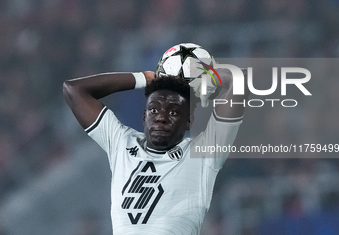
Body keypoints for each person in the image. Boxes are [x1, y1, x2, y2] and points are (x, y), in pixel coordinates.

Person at [63, 49, 248, 235]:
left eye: (173, 112)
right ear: (144, 116)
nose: (161, 117)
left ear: (189, 121)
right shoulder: (121, 142)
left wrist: (207, 75)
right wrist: (146, 78)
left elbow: (240, 82)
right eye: (153, 110)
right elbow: (73, 90)